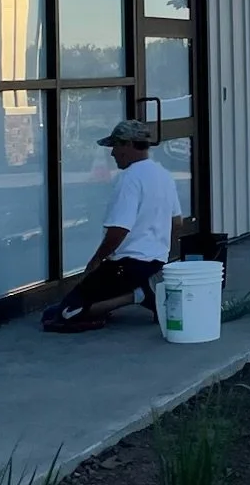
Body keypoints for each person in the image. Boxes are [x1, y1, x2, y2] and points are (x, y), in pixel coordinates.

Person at [42, 118, 182, 333]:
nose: (112, 153)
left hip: (126, 264)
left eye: (115, 146)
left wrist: (96, 260)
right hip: (154, 262)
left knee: (63, 314)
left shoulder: (130, 178)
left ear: (127, 144)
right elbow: (176, 221)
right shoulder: (164, 175)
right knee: (52, 312)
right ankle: (139, 291)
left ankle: (138, 295)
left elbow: (119, 229)